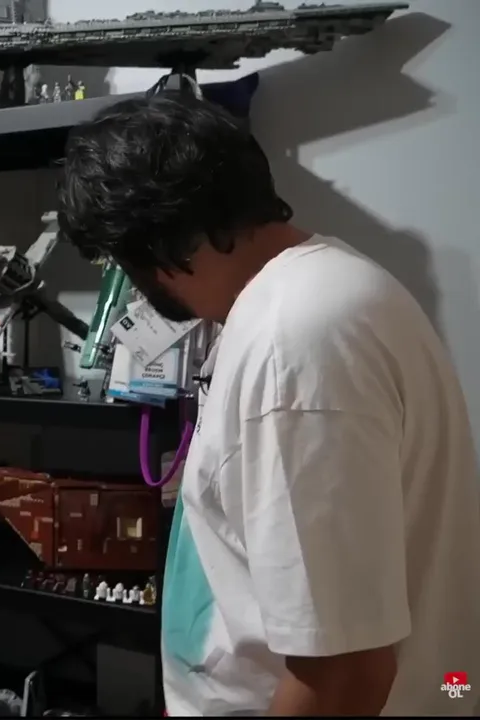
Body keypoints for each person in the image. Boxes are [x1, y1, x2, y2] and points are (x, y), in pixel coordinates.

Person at [56, 91, 480, 716]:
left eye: (118, 257)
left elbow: (345, 672)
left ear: (154, 242)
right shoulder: (329, 289)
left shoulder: (293, 340)